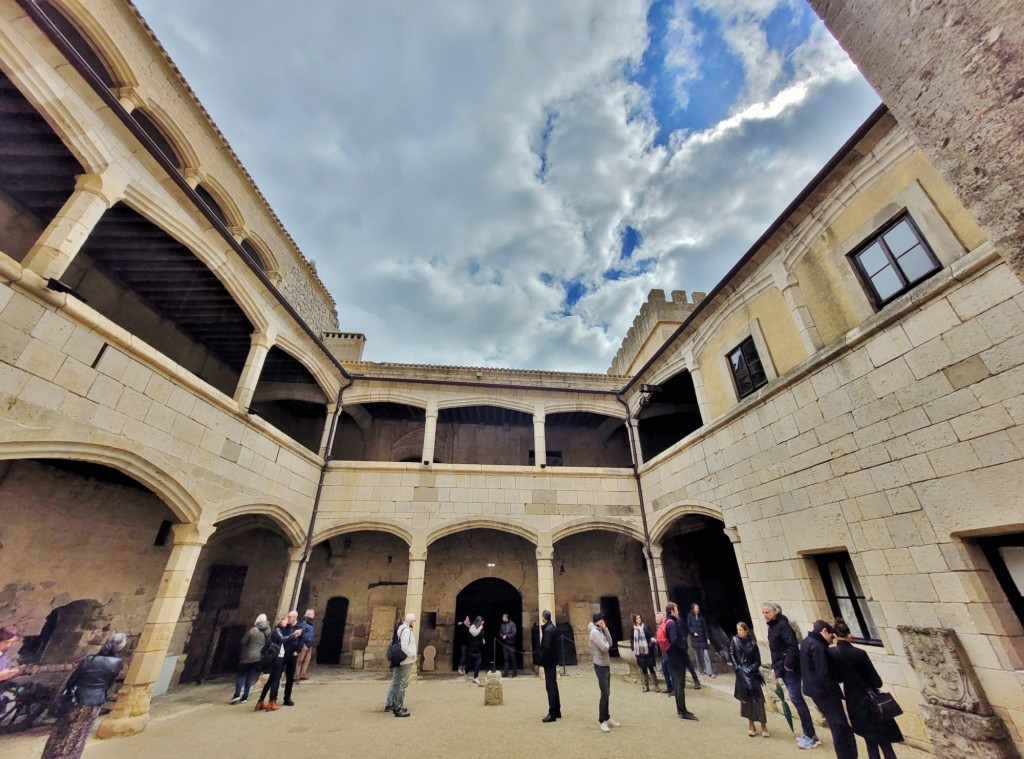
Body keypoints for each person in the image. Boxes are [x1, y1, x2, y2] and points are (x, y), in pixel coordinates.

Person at [41, 633, 125, 759]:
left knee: (62, 731)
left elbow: (73, 679)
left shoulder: (90, 659)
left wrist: (68, 692)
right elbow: (109, 683)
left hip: (76, 699)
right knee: (79, 734)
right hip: (94, 702)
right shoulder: (117, 663)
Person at [829, 618, 903, 759]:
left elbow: (837, 678)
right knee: (885, 742)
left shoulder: (832, 654)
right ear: (848, 634)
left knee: (870, 741)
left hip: (853, 700)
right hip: (870, 699)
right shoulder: (859, 653)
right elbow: (877, 681)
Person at [763, 602, 820, 750]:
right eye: (763, 613)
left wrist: (787, 666)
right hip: (783, 668)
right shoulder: (772, 627)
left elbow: (792, 647)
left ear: (775, 612)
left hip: (791, 670)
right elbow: (775, 650)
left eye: (767, 612)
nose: (765, 615)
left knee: (797, 700)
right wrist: (775, 668)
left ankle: (810, 735)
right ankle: (809, 734)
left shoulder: (783, 626)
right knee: (796, 700)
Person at [802, 620, 857, 759]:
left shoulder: (807, 641)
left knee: (837, 725)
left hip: (815, 690)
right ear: (824, 632)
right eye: (831, 636)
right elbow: (823, 673)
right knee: (840, 726)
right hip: (825, 692)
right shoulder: (818, 646)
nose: (832, 640)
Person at [730, 622, 769, 737]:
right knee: (746, 700)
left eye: (741, 630)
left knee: (758, 700)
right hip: (741, 674)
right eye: (737, 630)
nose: (739, 632)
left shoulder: (753, 644)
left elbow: (758, 660)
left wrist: (751, 669)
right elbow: (732, 654)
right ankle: (751, 724)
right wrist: (737, 667)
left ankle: (763, 724)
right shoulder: (734, 641)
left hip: (752, 675)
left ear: (746, 631)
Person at [665, 602, 698, 721]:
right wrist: (683, 648)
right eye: (676, 609)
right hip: (677, 657)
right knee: (680, 683)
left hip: (672, 657)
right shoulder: (672, 623)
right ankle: (682, 710)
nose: (678, 611)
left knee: (678, 683)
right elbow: (674, 641)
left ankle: (680, 709)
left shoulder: (667, 622)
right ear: (672, 611)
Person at [588, 612, 619, 732]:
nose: (603, 622)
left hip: (605, 664)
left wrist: (605, 629)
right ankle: (602, 720)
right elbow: (605, 647)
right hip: (600, 665)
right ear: (598, 621)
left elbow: (610, 643)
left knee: (607, 692)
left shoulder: (600, 631)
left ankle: (607, 717)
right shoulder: (594, 632)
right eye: (601, 620)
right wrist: (605, 639)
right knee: (604, 693)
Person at [230, 613, 270, 704]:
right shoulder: (267, 632)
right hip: (257, 657)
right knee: (250, 677)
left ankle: (237, 695)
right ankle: (245, 696)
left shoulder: (253, 630)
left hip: (247, 657)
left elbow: (243, 641)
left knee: (240, 675)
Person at [387, 613, 416, 717]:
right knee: (403, 683)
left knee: (397, 682)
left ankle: (394, 704)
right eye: (414, 620)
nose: (414, 622)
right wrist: (412, 654)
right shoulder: (407, 630)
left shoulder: (401, 629)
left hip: (400, 659)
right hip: (406, 660)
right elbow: (404, 646)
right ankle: (398, 707)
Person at [539, 610, 561, 723]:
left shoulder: (548, 630)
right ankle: (557, 710)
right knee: (554, 684)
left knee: (550, 687)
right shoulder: (553, 628)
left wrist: (541, 660)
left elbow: (546, 648)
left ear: (544, 618)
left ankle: (552, 713)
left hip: (549, 662)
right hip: (553, 661)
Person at [631, 612, 660, 692]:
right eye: (637, 618)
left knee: (651, 668)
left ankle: (656, 685)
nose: (638, 619)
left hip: (647, 651)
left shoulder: (646, 627)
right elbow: (632, 639)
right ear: (635, 620)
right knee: (643, 669)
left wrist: (650, 646)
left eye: (639, 618)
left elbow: (651, 636)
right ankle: (646, 686)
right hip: (639, 652)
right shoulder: (633, 629)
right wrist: (633, 649)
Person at [687, 603, 716, 678]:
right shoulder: (690, 617)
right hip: (695, 638)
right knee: (698, 655)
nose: (697, 610)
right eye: (696, 608)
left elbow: (705, 628)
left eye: (698, 608)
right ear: (693, 609)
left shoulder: (701, 618)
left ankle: (709, 671)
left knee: (706, 654)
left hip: (702, 637)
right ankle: (701, 670)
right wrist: (693, 632)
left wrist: (707, 638)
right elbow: (689, 626)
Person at [654, 612, 674, 696]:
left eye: (658, 617)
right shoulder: (659, 627)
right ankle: (669, 687)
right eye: (656, 617)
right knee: (664, 669)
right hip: (662, 651)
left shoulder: (666, 625)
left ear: (662, 617)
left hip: (667, 650)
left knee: (670, 670)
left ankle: (674, 688)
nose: (656, 619)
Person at [295, 608, 316, 681]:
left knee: (306, 660)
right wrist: (302, 643)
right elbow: (300, 633)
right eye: (313, 614)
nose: (314, 615)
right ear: (309, 614)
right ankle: (296, 675)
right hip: (304, 644)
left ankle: (303, 674)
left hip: (309, 644)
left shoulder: (310, 623)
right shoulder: (303, 623)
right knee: (299, 660)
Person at [465, 616, 485, 684]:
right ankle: (466, 672)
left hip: (477, 649)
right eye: (481, 621)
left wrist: (482, 640)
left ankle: (475, 677)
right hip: (471, 648)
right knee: (469, 663)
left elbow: (481, 635)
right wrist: (480, 628)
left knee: (478, 662)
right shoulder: (472, 627)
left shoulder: (481, 628)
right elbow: (474, 633)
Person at [499, 613, 517, 677]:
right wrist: (502, 636)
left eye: (503, 617)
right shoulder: (502, 625)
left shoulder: (512, 624)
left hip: (511, 644)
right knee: (506, 658)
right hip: (505, 644)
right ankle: (505, 672)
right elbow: (500, 633)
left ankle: (514, 672)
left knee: (512, 658)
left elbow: (514, 633)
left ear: (506, 618)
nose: (502, 618)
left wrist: (507, 636)